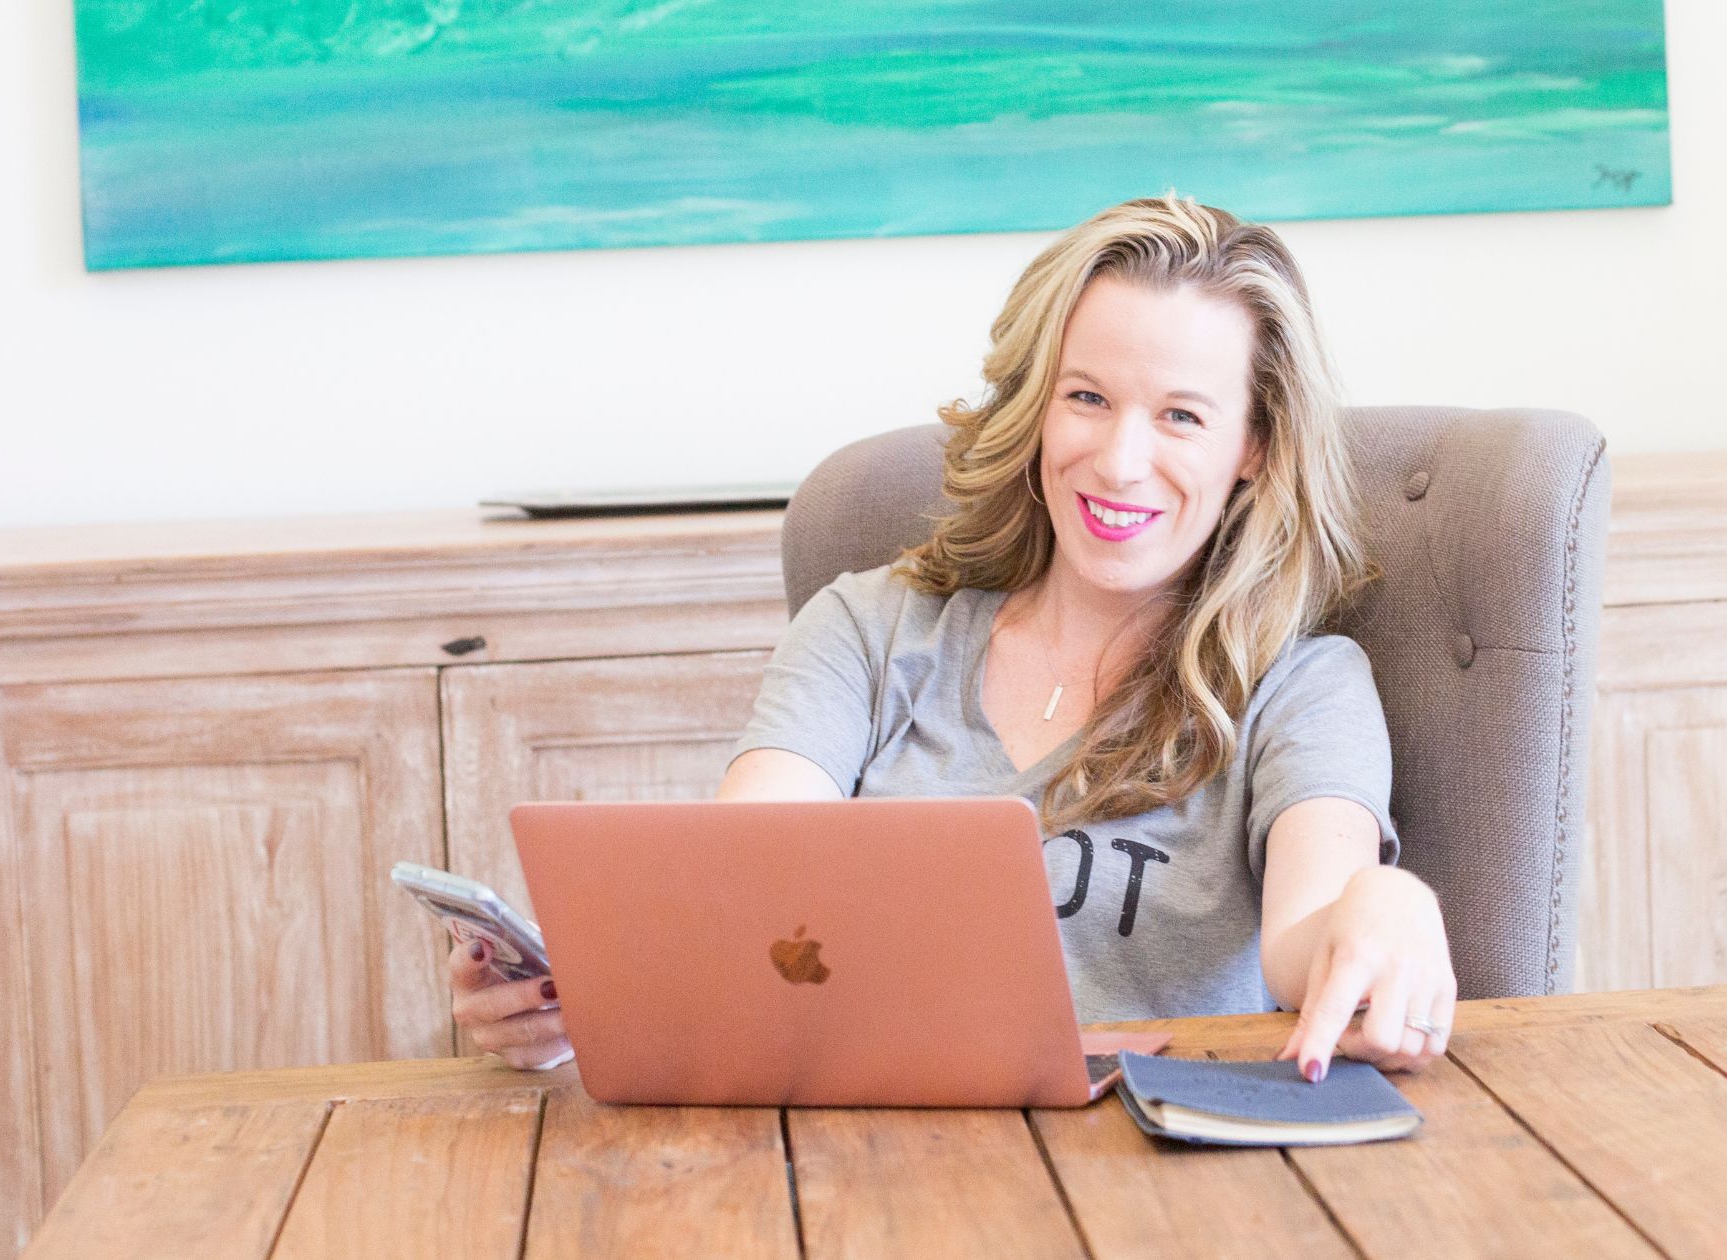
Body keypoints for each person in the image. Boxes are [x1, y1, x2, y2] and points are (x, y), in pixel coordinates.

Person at [452, 193, 1455, 1084]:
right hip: (864, 1157)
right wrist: (580, 1004)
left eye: (1181, 416)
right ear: (1034, 408)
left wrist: (1380, 906)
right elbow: (739, 895)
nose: (1118, 461)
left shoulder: (1302, 685)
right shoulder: (867, 630)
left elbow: (1300, 941)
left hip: (1157, 1178)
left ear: (1254, 446)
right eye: (1086, 398)